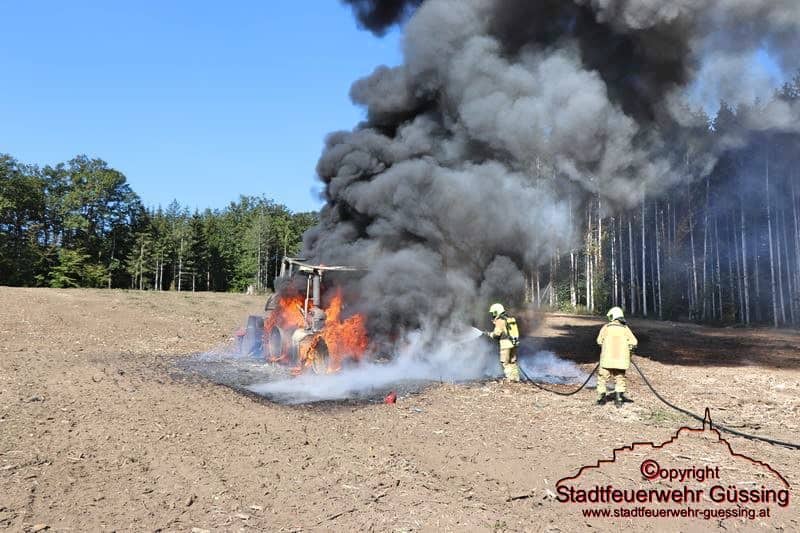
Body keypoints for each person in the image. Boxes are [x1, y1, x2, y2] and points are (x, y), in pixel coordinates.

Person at [596, 306, 638, 407]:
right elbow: (634, 342)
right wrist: (630, 353)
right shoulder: (625, 329)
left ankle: (601, 398)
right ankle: (618, 399)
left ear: (613, 317)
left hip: (607, 360)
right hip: (621, 361)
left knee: (602, 378)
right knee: (620, 378)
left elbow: (599, 341)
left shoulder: (606, 327)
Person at [486, 303, 521, 382]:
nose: (493, 315)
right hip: (514, 342)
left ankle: (510, 378)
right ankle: (516, 378)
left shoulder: (500, 320)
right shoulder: (510, 318)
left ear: (496, 311)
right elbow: (508, 330)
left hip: (505, 343)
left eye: (493, 313)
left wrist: (490, 334)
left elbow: (497, 334)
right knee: (512, 361)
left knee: (505, 362)